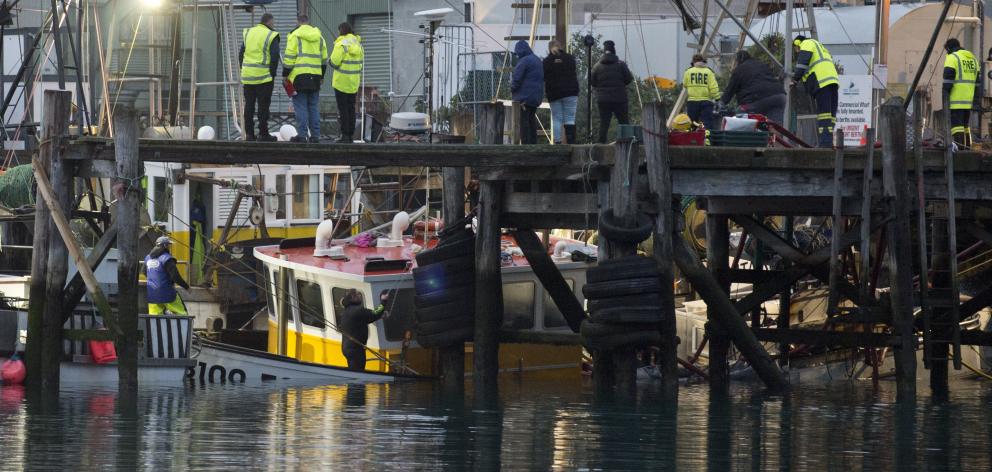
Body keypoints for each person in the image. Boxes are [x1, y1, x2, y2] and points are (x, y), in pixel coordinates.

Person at [283, 15, 329, 143]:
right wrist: (322, 76)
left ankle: (302, 135)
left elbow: (289, 58)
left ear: (298, 22)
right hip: (315, 77)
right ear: (309, 22)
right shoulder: (319, 37)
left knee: (301, 107)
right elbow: (324, 59)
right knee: (313, 107)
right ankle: (315, 136)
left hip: (299, 77)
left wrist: (285, 74)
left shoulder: (294, 35)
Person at [792, 35, 839, 148]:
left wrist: (795, 79)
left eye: (796, 49)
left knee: (824, 115)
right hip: (833, 81)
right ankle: (828, 141)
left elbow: (802, 63)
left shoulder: (807, 44)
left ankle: (825, 144)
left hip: (822, 82)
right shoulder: (820, 47)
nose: (797, 52)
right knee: (831, 115)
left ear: (798, 43)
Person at [239, 13, 280, 142]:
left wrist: (244, 69)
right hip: (264, 77)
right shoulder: (271, 35)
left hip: (248, 76)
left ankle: (249, 134)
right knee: (263, 106)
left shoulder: (249, 33)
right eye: (272, 23)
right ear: (269, 22)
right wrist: (272, 73)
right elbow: (275, 56)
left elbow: (241, 53)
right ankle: (263, 134)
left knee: (249, 105)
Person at [721, 50, 787, 124]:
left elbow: (729, 91)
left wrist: (721, 103)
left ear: (738, 61)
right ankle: (773, 134)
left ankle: (747, 135)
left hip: (757, 99)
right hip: (779, 96)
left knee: (740, 115)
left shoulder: (739, 70)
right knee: (774, 126)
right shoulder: (761, 64)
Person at [591, 40, 633, 143]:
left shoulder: (597, 66)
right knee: (623, 122)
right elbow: (629, 79)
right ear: (614, 50)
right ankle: (627, 143)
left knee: (604, 123)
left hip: (603, 100)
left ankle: (601, 143)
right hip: (620, 99)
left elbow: (592, 82)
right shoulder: (621, 64)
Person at [330, 22, 364, 143]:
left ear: (341, 31)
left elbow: (334, 62)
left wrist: (330, 61)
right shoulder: (358, 44)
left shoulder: (341, 43)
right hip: (353, 82)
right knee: (351, 109)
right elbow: (361, 64)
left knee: (343, 109)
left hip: (341, 82)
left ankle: (344, 135)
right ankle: (350, 135)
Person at [942, 38, 979, 148]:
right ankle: (967, 148)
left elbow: (948, 81)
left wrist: (944, 97)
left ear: (948, 48)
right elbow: (978, 83)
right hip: (968, 100)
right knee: (965, 126)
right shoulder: (973, 59)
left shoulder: (952, 58)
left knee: (956, 127)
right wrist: (975, 100)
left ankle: (960, 149)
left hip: (956, 100)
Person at [339, 289, 387, 371]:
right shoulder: (358, 310)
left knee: (353, 371)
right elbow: (375, 313)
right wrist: (383, 301)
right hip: (356, 349)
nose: (359, 296)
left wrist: (380, 315)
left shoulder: (347, 311)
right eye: (358, 295)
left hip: (347, 348)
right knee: (358, 373)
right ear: (353, 297)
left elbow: (367, 318)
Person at [543, 39, 579, 144]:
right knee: (570, 118)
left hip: (554, 93)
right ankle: (571, 142)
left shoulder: (546, 61)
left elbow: (544, 77)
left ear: (549, 48)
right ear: (560, 46)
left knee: (556, 118)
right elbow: (573, 70)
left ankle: (558, 142)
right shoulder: (570, 58)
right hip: (571, 92)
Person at [143, 237, 189, 315]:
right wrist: (187, 287)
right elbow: (175, 276)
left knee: (154, 318)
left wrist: (155, 279)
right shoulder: (167, 258)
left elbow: (144, 272)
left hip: (153, 295)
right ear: (165, 246)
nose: (169, 247)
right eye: (168, 245)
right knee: (182, 314)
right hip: (168, 294)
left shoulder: (148, 258)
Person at [511, 40, 544, 144]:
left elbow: (517, 79)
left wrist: (512, 88)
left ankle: (525, 145)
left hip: (524, 97)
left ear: (520, 51)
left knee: (523, 122)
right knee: (531, 120)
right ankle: (533, 144)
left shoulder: (523, 61)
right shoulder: (537, 60)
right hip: (535, 97)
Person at [682, 54, 720, 130]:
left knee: (693, 123)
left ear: (693, 62)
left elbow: (685, 85)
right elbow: (713, 87)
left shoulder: (688, 72)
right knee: (707, 124)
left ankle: (693, 140)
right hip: (706, 102)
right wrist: (717, 99)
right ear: (703, 61)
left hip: (692, 102)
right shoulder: (709, 72)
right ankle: (707, 140)